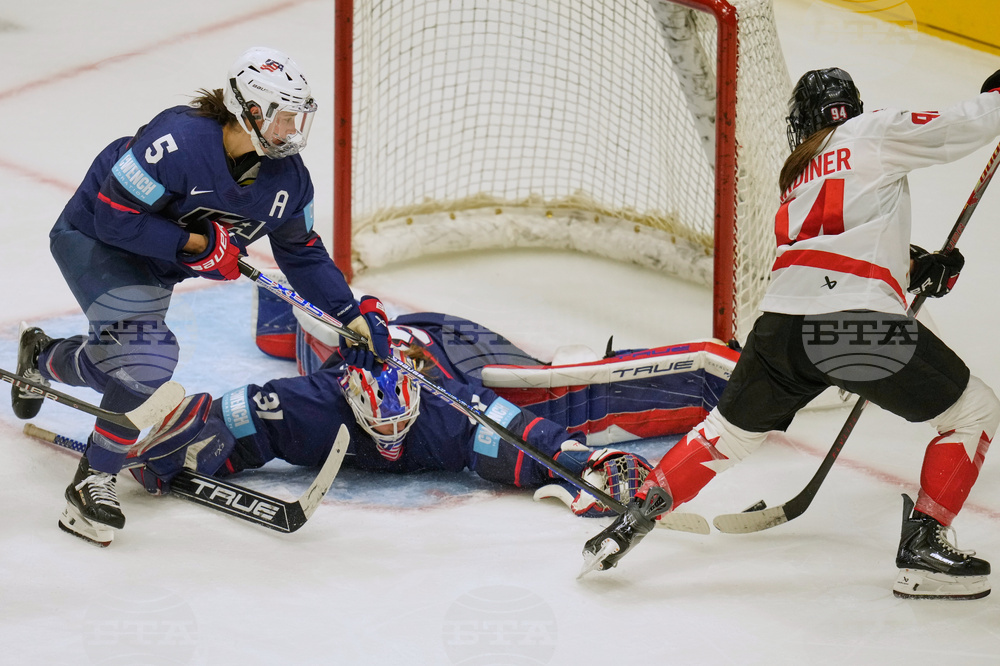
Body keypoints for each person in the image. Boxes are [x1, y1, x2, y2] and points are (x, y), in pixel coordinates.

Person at [581, 67, 1000, 600]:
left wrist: (918, 267)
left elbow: (835, 248)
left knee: (724, 435)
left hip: (780, 329)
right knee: (974, 411)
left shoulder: (796, 175)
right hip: (854, 327)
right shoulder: (870, 130)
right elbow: (961, 125)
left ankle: (630, 522)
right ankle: (924, 546)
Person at [11, 47, 390, 546]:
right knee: (147, 357)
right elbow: (113, 217)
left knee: (125, 361)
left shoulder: (289, 181)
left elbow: (302, 252)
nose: (292, 132)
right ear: (248, 110)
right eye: (283, 119)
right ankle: (91, 483)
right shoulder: (178, 140)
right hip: (94, 243)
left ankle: (44, 360)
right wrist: (199, 245)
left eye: (299, 119)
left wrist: (349, 314)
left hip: (153, 266)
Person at [122, 313, 655, 532]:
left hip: (441, 339)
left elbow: (521, 434)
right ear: (348, 397)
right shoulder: (317, 401)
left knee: (544, 384)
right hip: (355, 351)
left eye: (401, 422)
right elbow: (241, 413)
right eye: (379, 425)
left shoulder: (448, 408)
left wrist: (580, 462)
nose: (392, 440)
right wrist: (190, 443)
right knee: (298, 336)